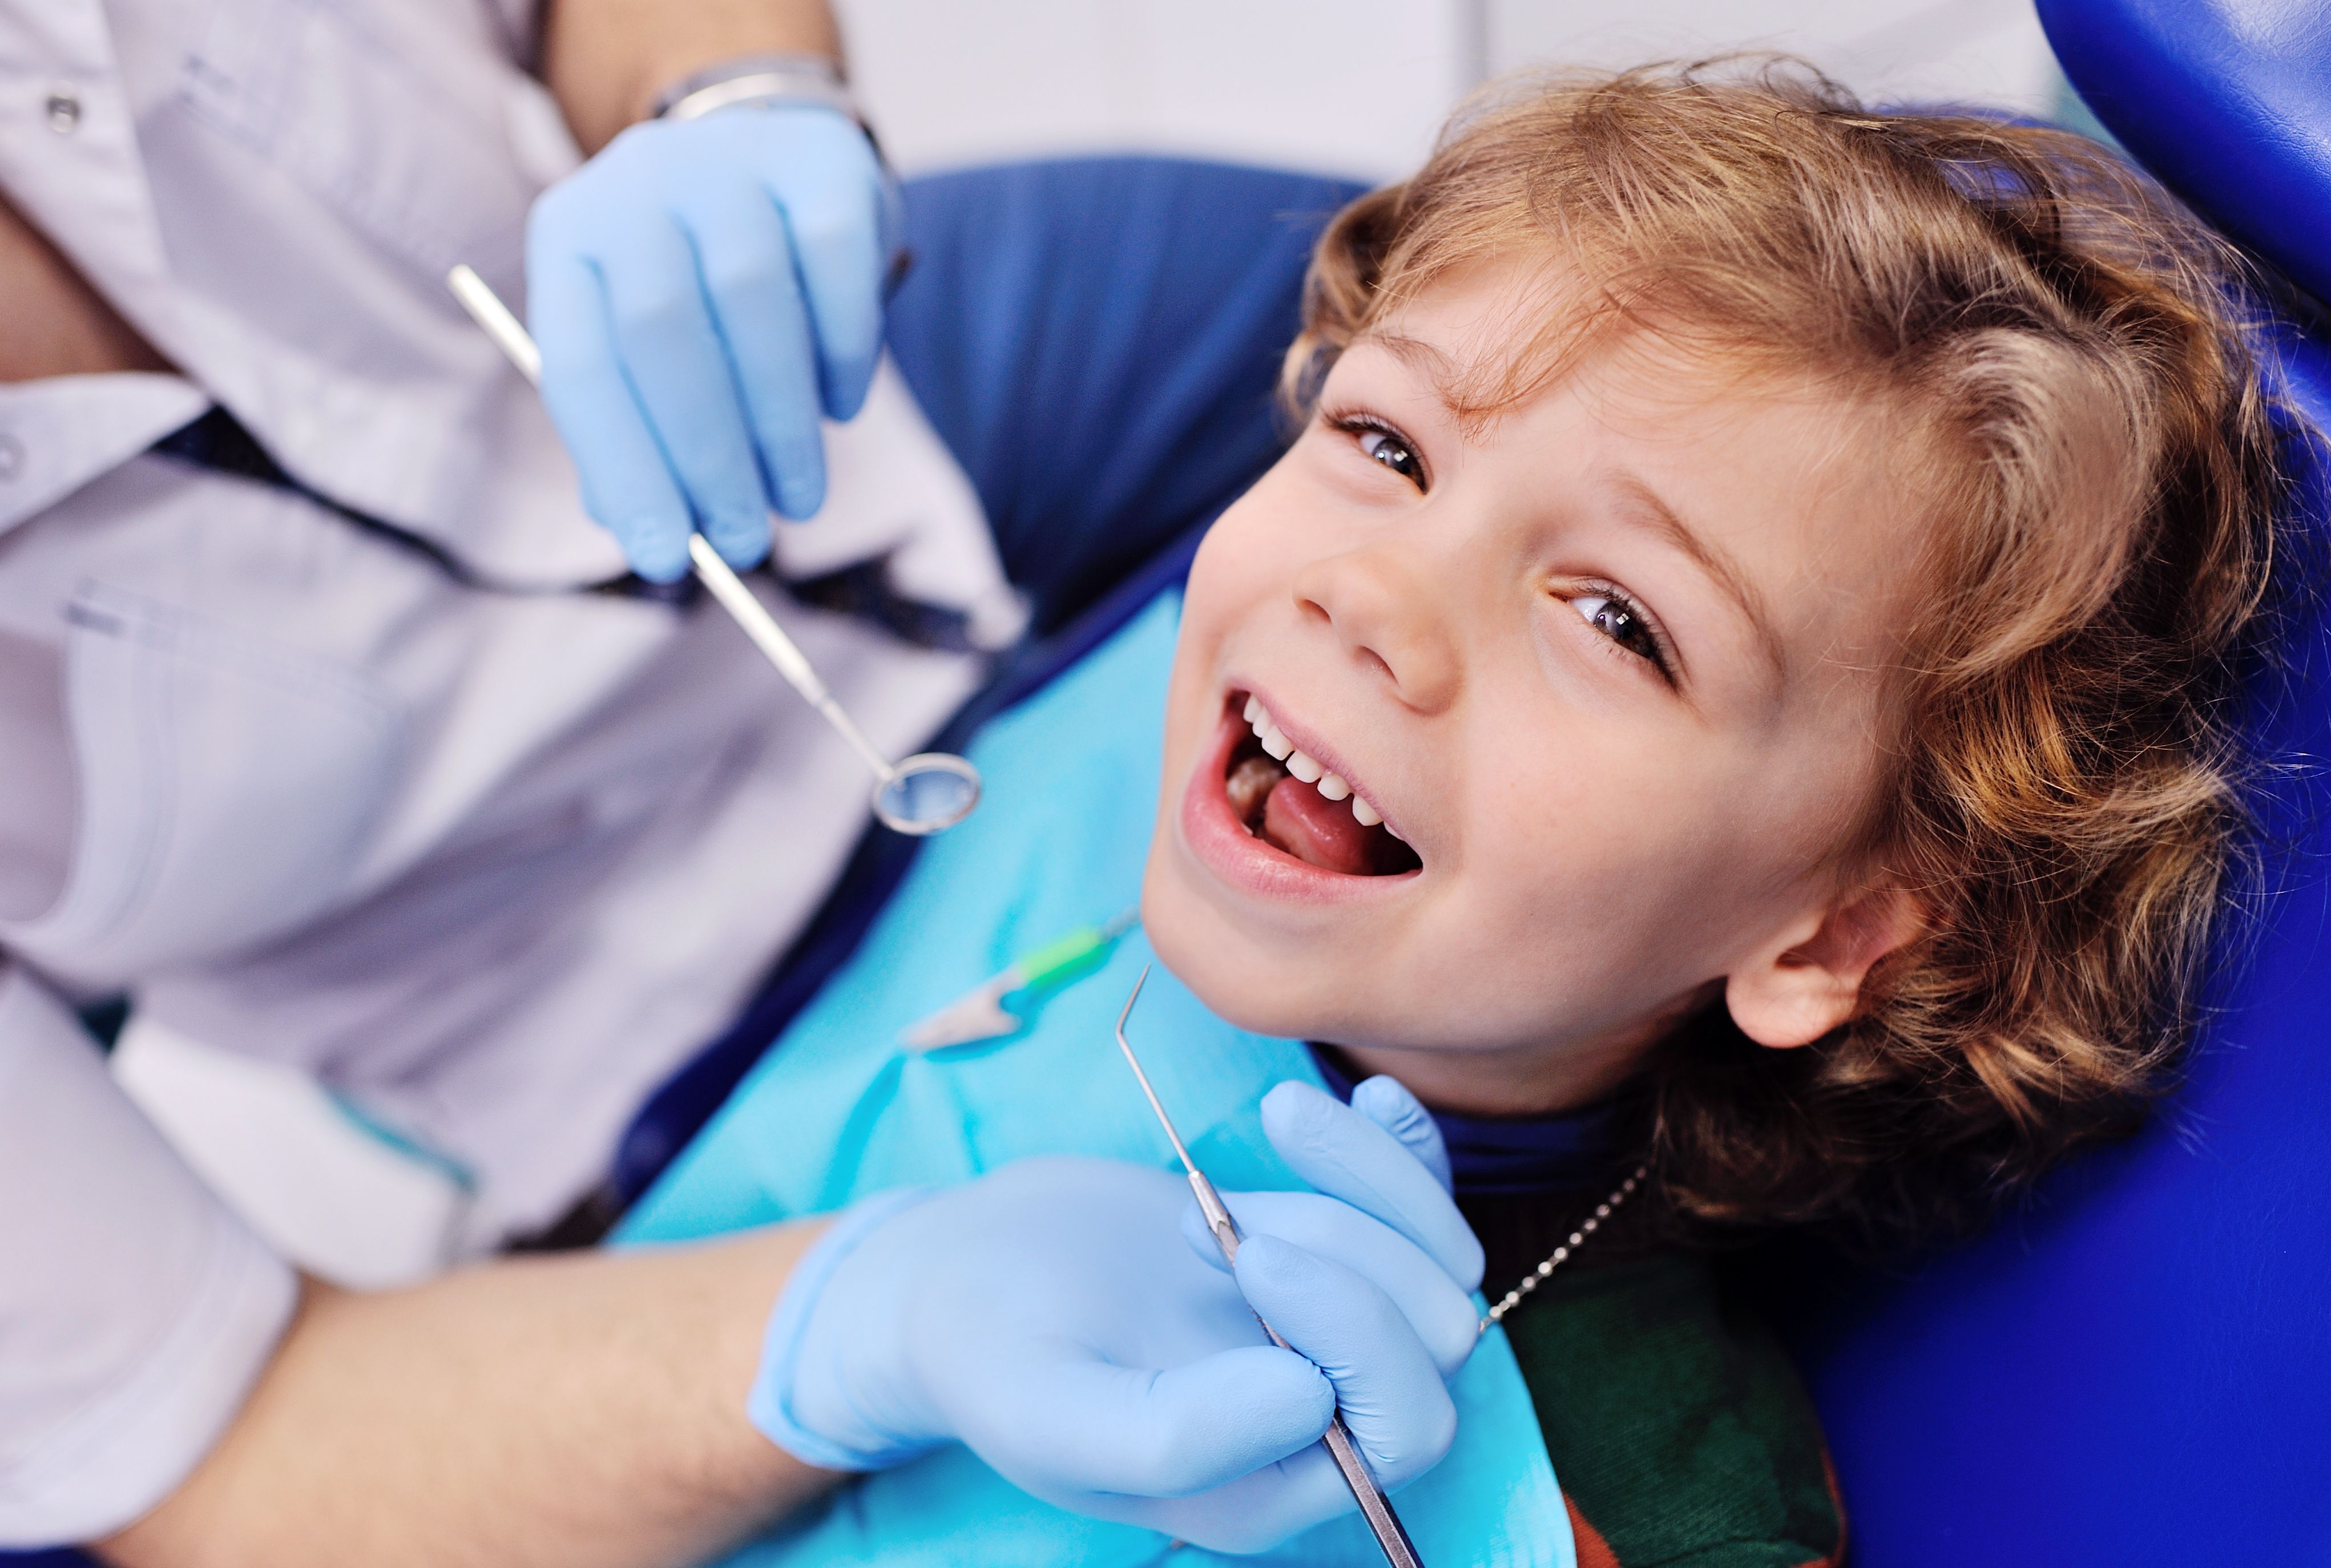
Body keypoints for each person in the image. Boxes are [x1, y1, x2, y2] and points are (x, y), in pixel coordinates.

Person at [607, 62, 2306, 1567]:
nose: (1372, 597)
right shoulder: (1117, 707)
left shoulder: (1649, 1514)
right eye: (1386, 440)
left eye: (1617, 619)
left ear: (1828, 932)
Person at [2, 1, 1425, 1561]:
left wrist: (731, 93)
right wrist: (866, 1319)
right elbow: (215, 1456)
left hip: (888, 415)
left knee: (1522, 372)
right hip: (635, 999)